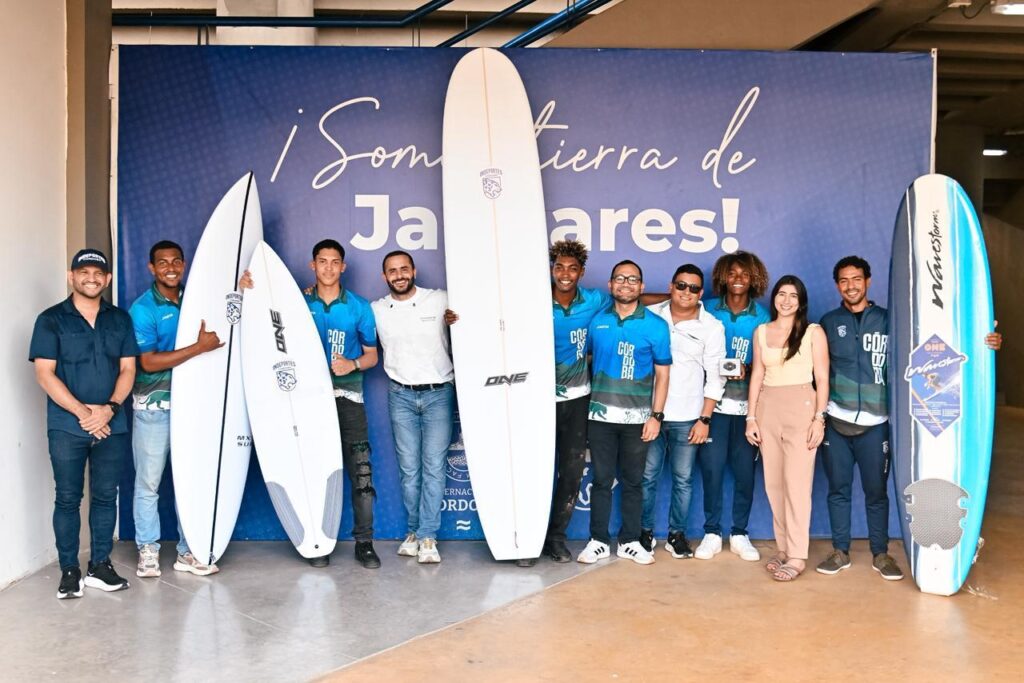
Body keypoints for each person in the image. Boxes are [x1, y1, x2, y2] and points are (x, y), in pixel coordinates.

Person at [815, 256, 1003, 580]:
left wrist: (983, 340)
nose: (851, 286)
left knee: (877, 493)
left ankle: (881, 554)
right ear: (837, 285)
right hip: (837, 423)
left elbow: (936, 346)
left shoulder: (890, 320)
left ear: (868, 281)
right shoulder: (829, 322)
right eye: (844, 280)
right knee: (838, 490)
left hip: (876, 425)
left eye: (856, 279)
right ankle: (839, 551)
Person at [241, 239, 381, 569]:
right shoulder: (297, 303)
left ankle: (364, 544)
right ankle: (318, 540)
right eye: (322, 261)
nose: (328, 268)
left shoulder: (359, 306)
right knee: (310, 466)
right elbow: (263, 325)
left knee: (361, 472)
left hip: (347, 398)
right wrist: (246, 290)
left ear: (343, 267)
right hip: (305, 403)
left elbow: (372, 356)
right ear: (312, 265)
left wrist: (352, 364)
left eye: (335, 262)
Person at [30, 249, 139, 598]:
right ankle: (69, 570)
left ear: (107, 279)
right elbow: (44, 374)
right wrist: (84, 413)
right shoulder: (50, 320)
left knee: (106, 496)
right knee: (67, 497)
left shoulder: (120, 319)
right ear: (71, 276)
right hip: (66, 426)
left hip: (112, 424)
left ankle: (100, 566)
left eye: (98, 273)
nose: (91, 278)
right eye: (84, 272)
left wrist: (109, 409)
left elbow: (128, 369)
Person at [128, 240, 223, 578]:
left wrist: (244, 285)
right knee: (149, 483)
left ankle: (188, 551)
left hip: (194, 407)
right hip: (154, 407)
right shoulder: (143, 308)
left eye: (176, 262)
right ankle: (148, 550)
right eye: (163, 262)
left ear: (184, 265)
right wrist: (198, 348)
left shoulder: (196, 297)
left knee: (191, 481)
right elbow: (148, 362)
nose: (170, 268)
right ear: (151, 268)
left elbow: (231, 307)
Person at [578, 260, 671, 566]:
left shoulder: (656, 326)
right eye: (620, 278)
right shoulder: (597, 322)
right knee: (601, 480)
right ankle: (598, 541)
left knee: (633, 482)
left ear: (641, 287)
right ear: (610, 285)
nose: (626, 284)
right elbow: (586, 359)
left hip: (638, 420)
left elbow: (663, 374)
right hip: (600, 418)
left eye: (632, 279)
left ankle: (629, 541)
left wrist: (656, 416)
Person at [371, 250, 454, 565]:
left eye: (404, 269)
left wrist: (457, 319)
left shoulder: (440, 299)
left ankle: (427, 535)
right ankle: (413, 531)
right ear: (385, 276)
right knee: (409, 470)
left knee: (433, 466)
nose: (399, 275)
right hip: (400, 395)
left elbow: (476, 306)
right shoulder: (376, 310)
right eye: (392, 271)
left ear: (414, 271)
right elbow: (348, 314)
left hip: (438, 393)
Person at [745, 275, 829, 582]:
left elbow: (822, 377)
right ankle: (783, 548)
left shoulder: (813, 332)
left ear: (801, 301)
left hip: (802, 408)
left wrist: (819, 418)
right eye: (782, 294)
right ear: (774, 298)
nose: (786, 300)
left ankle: (797, 555)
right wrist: (751, 417)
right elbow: (757, 375)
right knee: (774, 484)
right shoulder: (761, 331)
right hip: (768, 409)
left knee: (797, 485)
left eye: (793, 295)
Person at [640, 265, 725, 559]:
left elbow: (716, 377)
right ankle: (644, 533)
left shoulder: (712, 326)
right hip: (650, 413)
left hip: (688, 416)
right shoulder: (651, 314)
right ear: (671, 286)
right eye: (681, 285)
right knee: (647, 476)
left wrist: (705, 419)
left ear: (701, 293)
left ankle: (676, 535)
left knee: (683, 479)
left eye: (693, 288)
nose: (686, 292)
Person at [695, 251, 771, 562]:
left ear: (754, 279)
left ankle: (740, 533)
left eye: (744, 274)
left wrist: (748, 368)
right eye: (732, 273)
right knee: (711, 472)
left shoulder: (763, 315)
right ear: (722, 277)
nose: (738, 279)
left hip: (747, 410)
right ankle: (712, 533)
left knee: (745, 474)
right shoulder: (708, 309)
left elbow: (771, 361)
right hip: (712, 408)